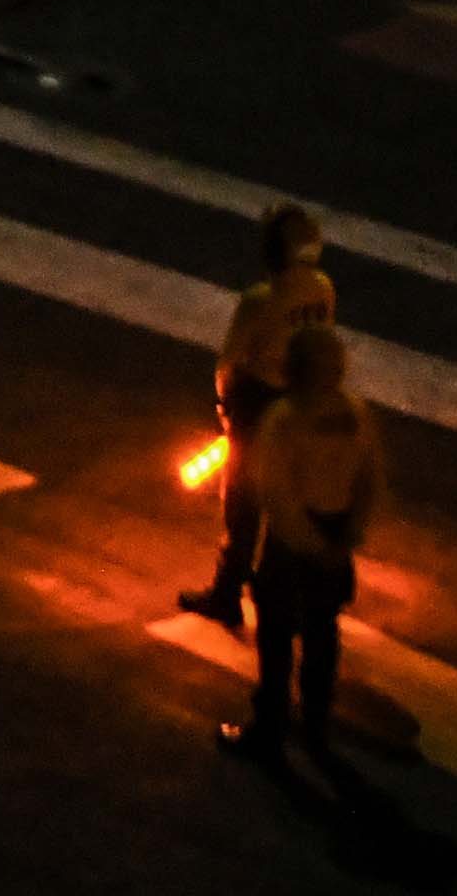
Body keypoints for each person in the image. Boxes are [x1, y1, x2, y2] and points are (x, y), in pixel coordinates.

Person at [225, 320, 387, 774]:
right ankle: (316, 725)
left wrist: (308, 543)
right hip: (336, 535)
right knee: (323, 633)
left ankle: (270, 727)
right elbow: (371, 480)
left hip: (293, 544)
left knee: (276, 635)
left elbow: (277, 493)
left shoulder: (285, 419)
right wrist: (346, 537)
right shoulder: (355, 414)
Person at [184, 201, 339, 631]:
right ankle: (274, 588)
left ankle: (227, 593)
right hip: (296, 402)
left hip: (255, 402)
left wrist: (223, 407)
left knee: (240, 504)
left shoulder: (259, 300)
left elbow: (228, 362)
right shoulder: (323, 289)